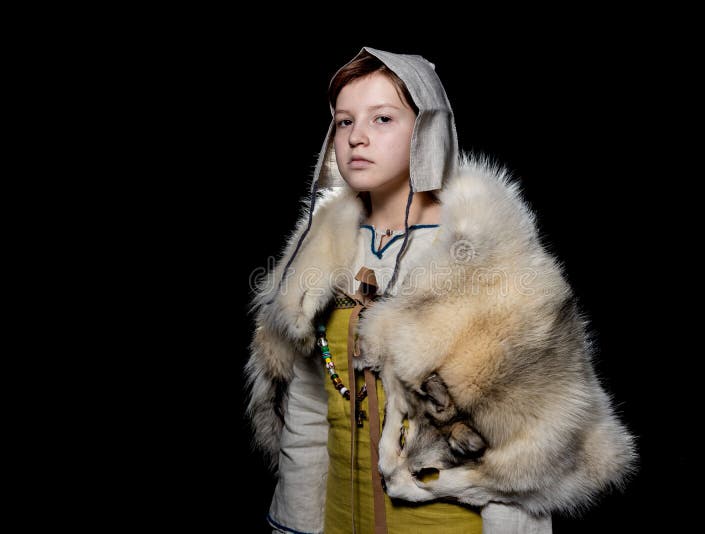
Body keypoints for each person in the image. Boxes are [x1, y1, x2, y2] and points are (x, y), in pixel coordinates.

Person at [246, 47, 634, 534]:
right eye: (344, 122)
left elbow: (524, 447)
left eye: (382, 118)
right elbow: (305, 416)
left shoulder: (490, 259)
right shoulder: (319, 259)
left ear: (428, 130)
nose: (357, 137)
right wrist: (296, 527)